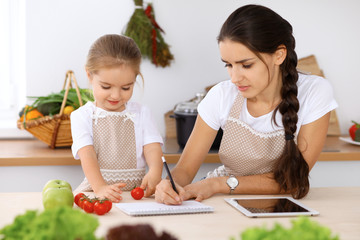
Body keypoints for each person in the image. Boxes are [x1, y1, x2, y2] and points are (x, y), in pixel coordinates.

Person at [155, 4, 338, 205]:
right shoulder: (221, 95)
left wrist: (219, 184)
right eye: (228, 65)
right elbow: (185, 169)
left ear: (279, 55)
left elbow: (293, 180)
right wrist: (169, 185)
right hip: (222, 201)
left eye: (246, 65)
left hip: (278, 204)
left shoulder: (314, 92)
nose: (234, 78)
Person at [71, 34, 163, 202]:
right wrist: (100, 188)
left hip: (138, 192)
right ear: (90, 75)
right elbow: (87, 155)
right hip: (97, 190)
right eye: (106, 86)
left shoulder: (142, 113)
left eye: (126, 88)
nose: (115, 95)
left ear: (135, 80)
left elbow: (151, 147)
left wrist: (155, 171)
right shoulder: (82, 116)